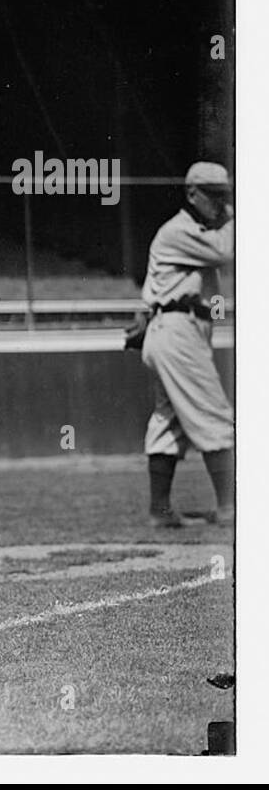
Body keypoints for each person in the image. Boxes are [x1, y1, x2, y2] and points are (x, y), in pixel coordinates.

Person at [140, 161, 234, 528]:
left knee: (169, 422)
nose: (219, 204)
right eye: (212, 195)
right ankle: (229, 507)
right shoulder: (177, 231)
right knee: (214, 414)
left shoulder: (193, 229)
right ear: (191, 193)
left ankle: (159, 511)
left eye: (223, 196)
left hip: (177, 328)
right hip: (177, 328)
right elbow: (226, 251)